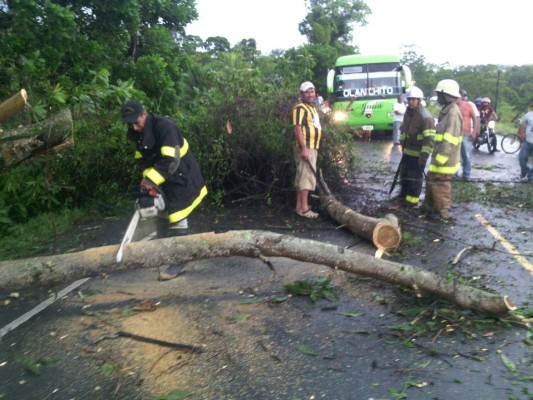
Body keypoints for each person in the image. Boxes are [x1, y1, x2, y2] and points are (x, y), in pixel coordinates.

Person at [121, 101, 208, 279]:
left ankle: (180, 260)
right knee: (161, 214)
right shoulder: (136, 134)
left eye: (137, 122)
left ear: (144, 114)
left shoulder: (165, 127)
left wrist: (151, 180)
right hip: (164, 177)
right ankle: (165, 252)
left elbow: (172, 160)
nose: (134, 127)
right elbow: (142, 160)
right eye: (130, 124)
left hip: (182, 174)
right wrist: (148, 180)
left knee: (177, 215)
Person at [422, 79, 463, 222]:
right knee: (433, 183)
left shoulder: (452, 112)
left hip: (444, 160)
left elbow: (450, 139)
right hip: (439, 157)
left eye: (439, 94)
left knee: (441, 186)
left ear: (446, 95)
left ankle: (443, 214)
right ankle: (431, 210)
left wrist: (441, 159)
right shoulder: (447, 110)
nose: (437, 97)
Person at [395, 86, 435, 207]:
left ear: (419, 100)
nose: (410, 101)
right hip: (407, 152)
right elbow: (404, 129)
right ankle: (403, 197)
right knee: (405, 176)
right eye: (409, 99)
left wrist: (423, 157)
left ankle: (412, 202)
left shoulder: (425, 117)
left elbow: (429, 140)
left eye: (413, 99)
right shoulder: (408, 112)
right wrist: (402, 142)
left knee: (414, 179)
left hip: (417, 154)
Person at [292, 81, 322, 219]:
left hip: (312, 146)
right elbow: (297, 129)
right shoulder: (300, 108)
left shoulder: (312, 107)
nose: (310, 94)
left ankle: (299, 206)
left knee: (302, 176)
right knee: (306, 177)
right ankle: (304, 208)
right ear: (302, 94)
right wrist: (304, 148)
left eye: (312, 91)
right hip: (307, 146)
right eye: (307, 92)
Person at [456, 89, 480, 180]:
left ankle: (466, 173)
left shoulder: (469, 106)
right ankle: (454, 173)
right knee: (455, 155)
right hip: (455, 134)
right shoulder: (453, 106)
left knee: (466, 154)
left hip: (466, 134)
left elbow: (475, 118)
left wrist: (474, 131)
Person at [517, 97, 533, 181]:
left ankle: (531, 175)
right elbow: (521, 123)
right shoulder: (529, 114)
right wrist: (522, 133)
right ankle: (524, 171)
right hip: (528, 141)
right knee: (522, 158)